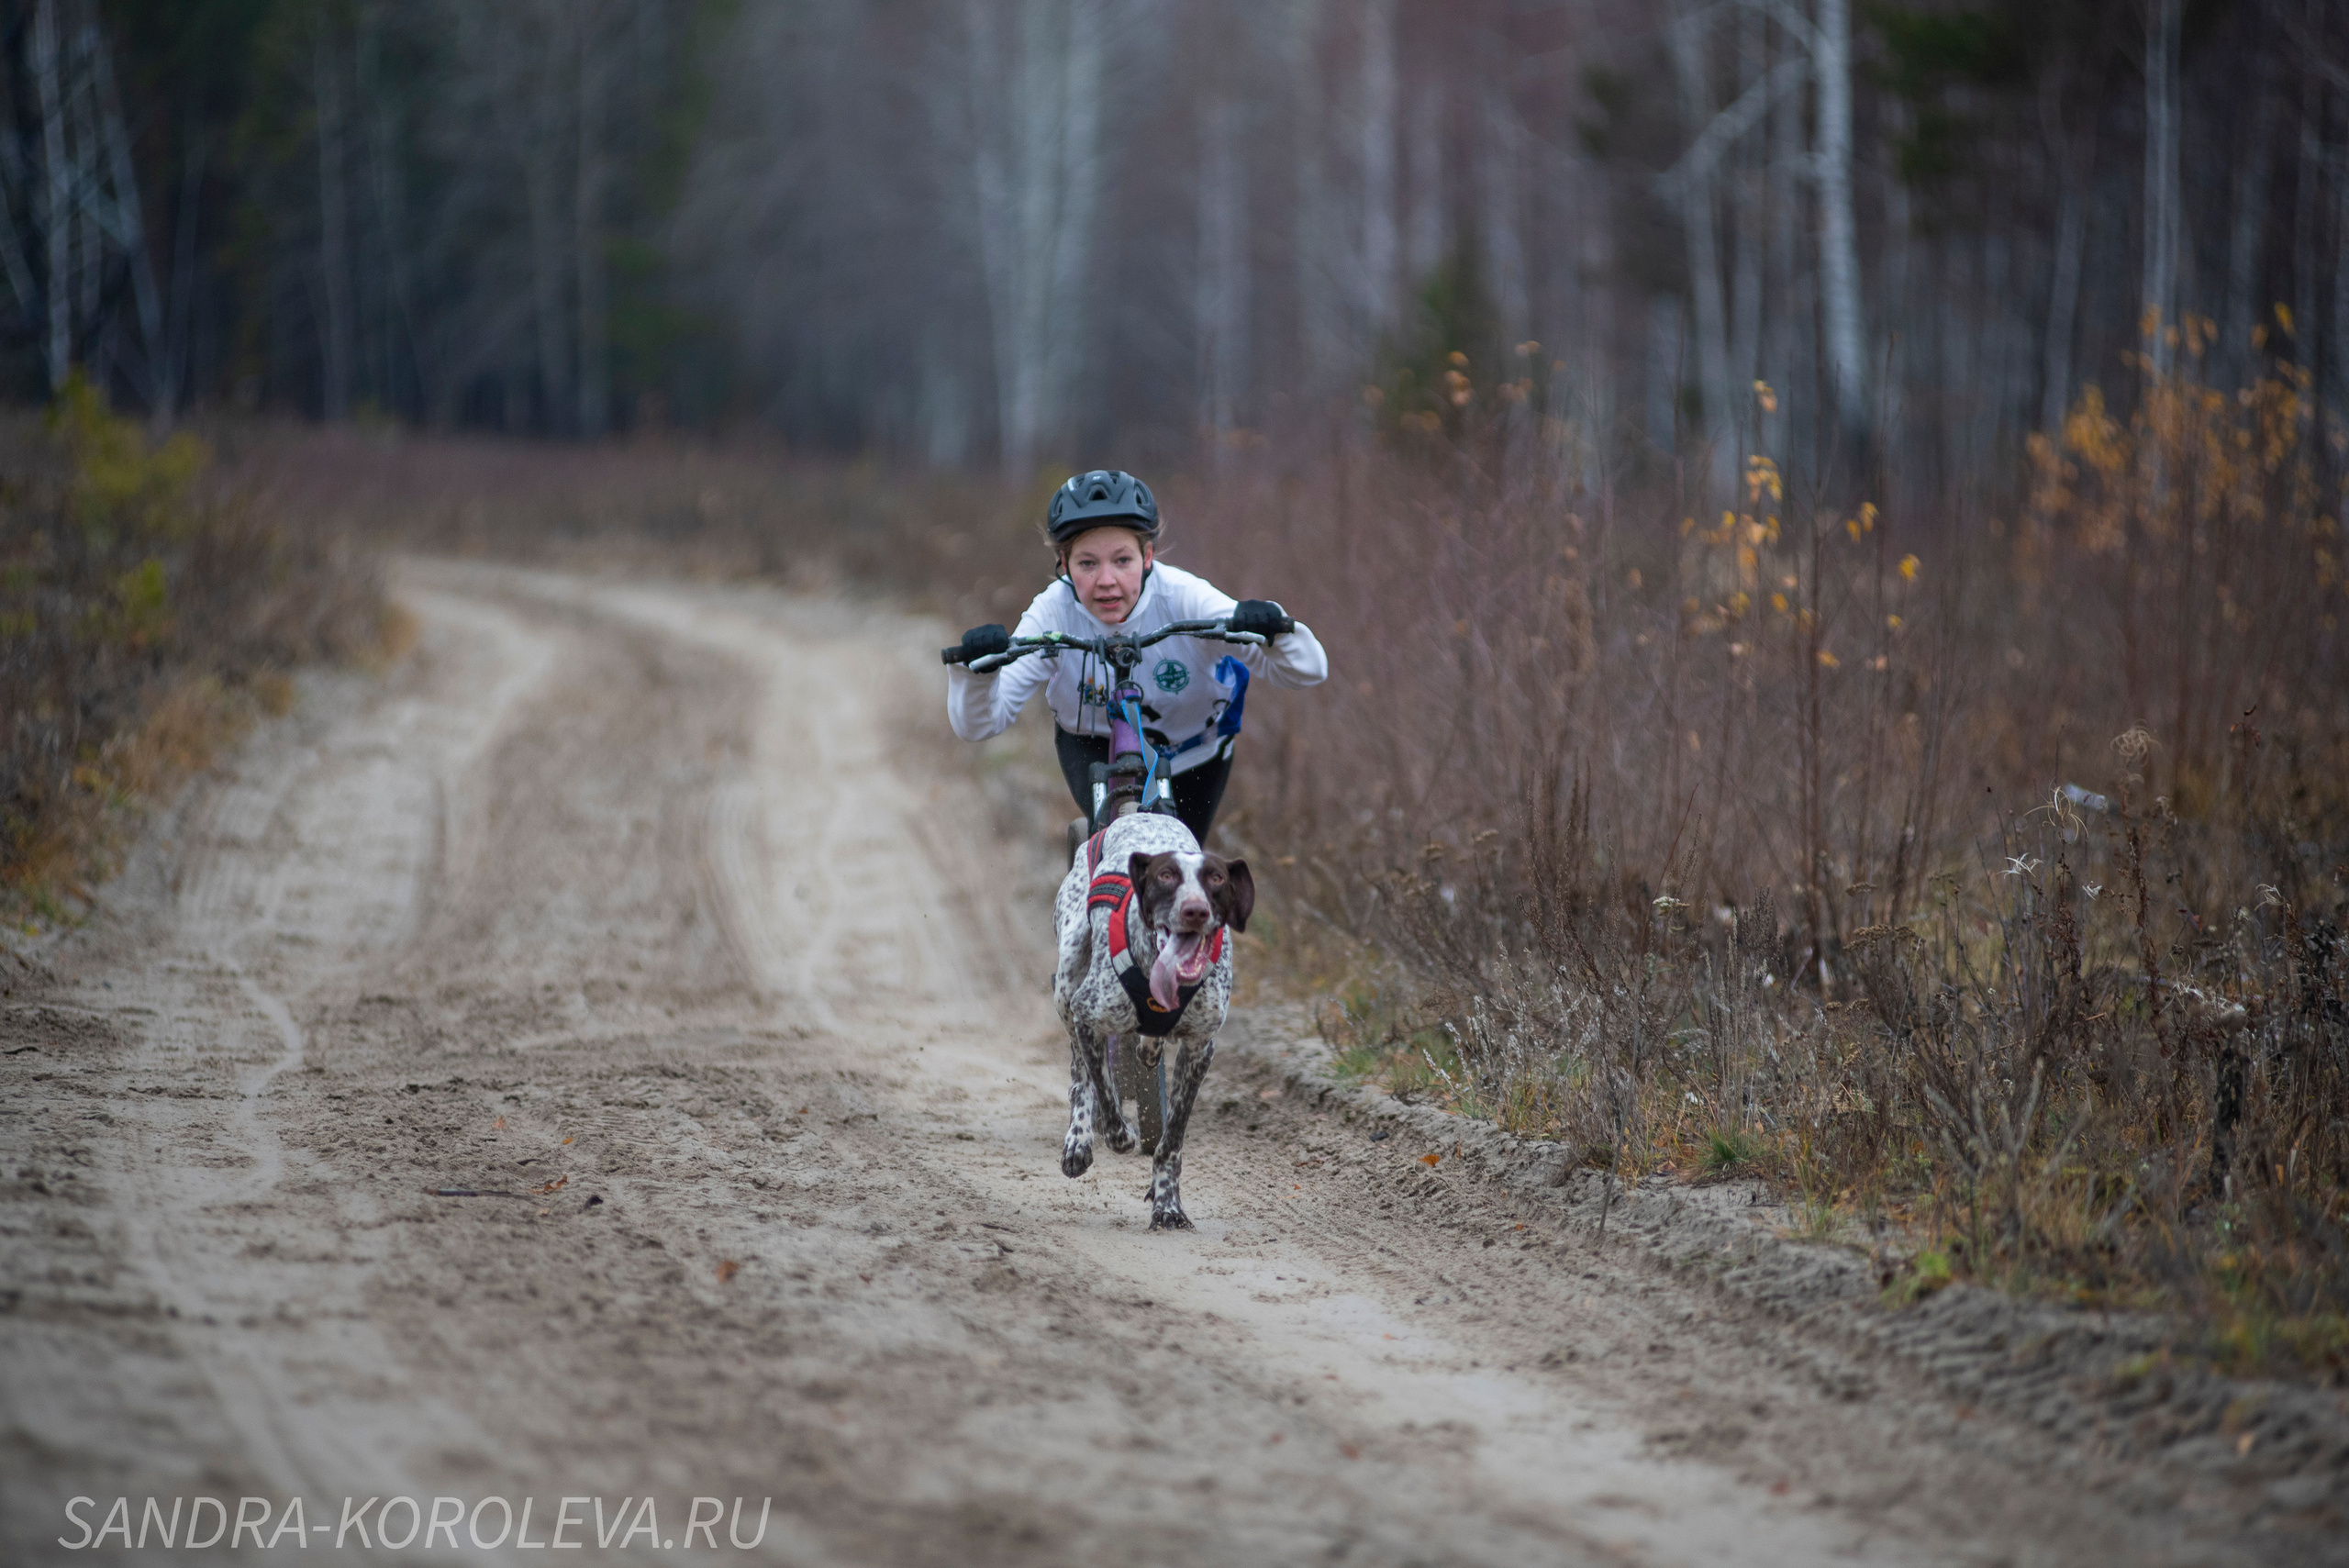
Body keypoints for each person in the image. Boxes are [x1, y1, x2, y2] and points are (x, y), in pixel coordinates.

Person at [946, 469, 1328, 844]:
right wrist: (979, 673)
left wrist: (1275, 632)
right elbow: (978, 725)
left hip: (1193, 750)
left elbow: (1309, 670)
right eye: (1087, 563)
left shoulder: (1184, 598)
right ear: (1063, 564)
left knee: (1181, 871)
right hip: (1092, 744)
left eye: (1122, 560)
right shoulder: (1052, 613)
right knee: (1114, 848)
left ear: (1148, 556)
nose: (1106, 580)